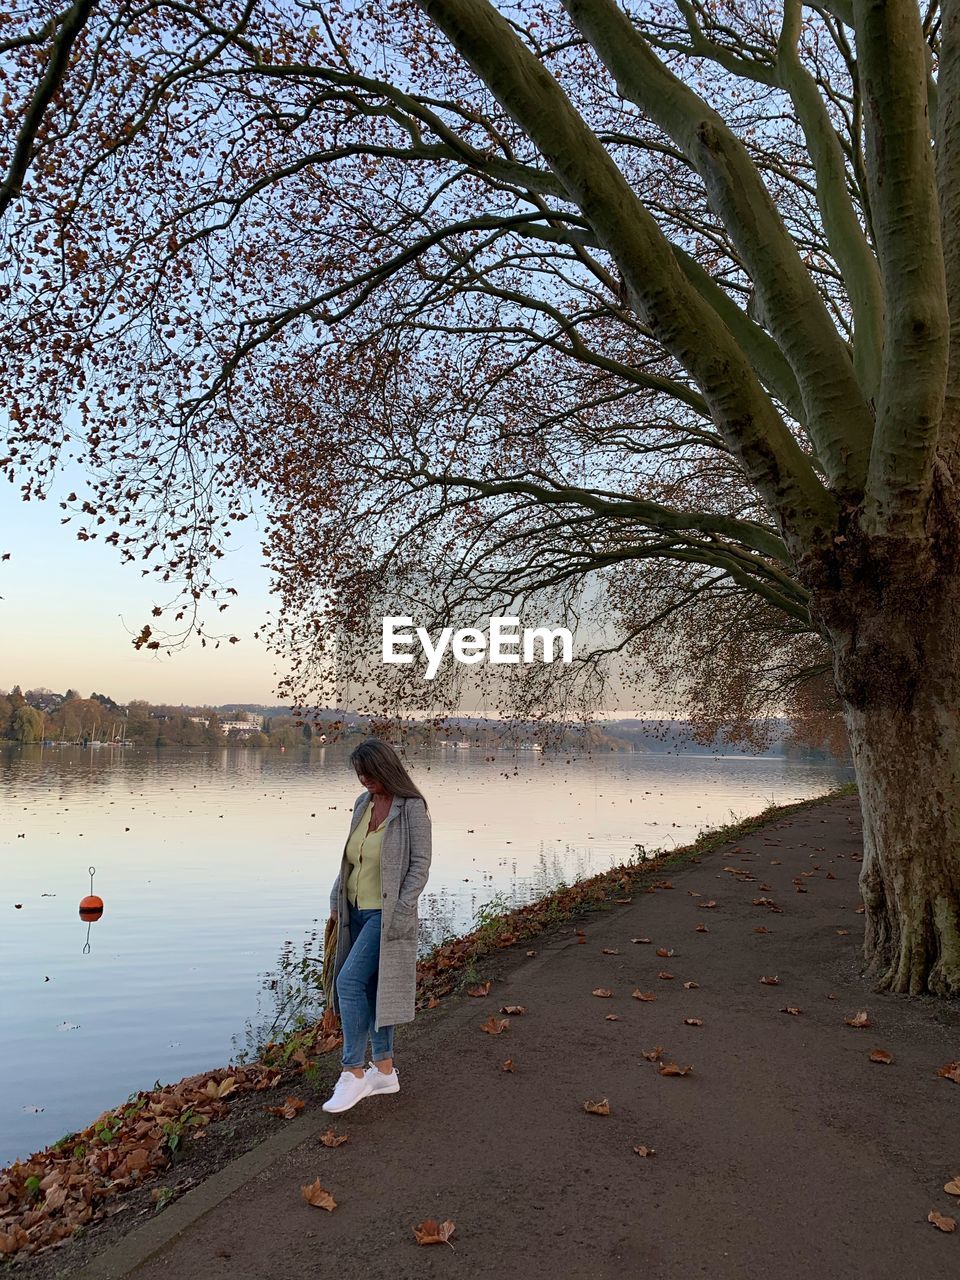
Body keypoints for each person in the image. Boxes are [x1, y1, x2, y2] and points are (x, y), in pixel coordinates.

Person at [322, 738, 432, 1114]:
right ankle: (384, 1071)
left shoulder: (412, 808)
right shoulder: (361, 805)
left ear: (386, 769)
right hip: (355, 912)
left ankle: (352, 1073)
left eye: (369, 773)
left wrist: (401, 912)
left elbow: (420, 866)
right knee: (371, 987)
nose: (364, 780)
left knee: (349, 982)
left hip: (386, 917)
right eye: (359, 774)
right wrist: (337, 901)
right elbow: (351, 859)